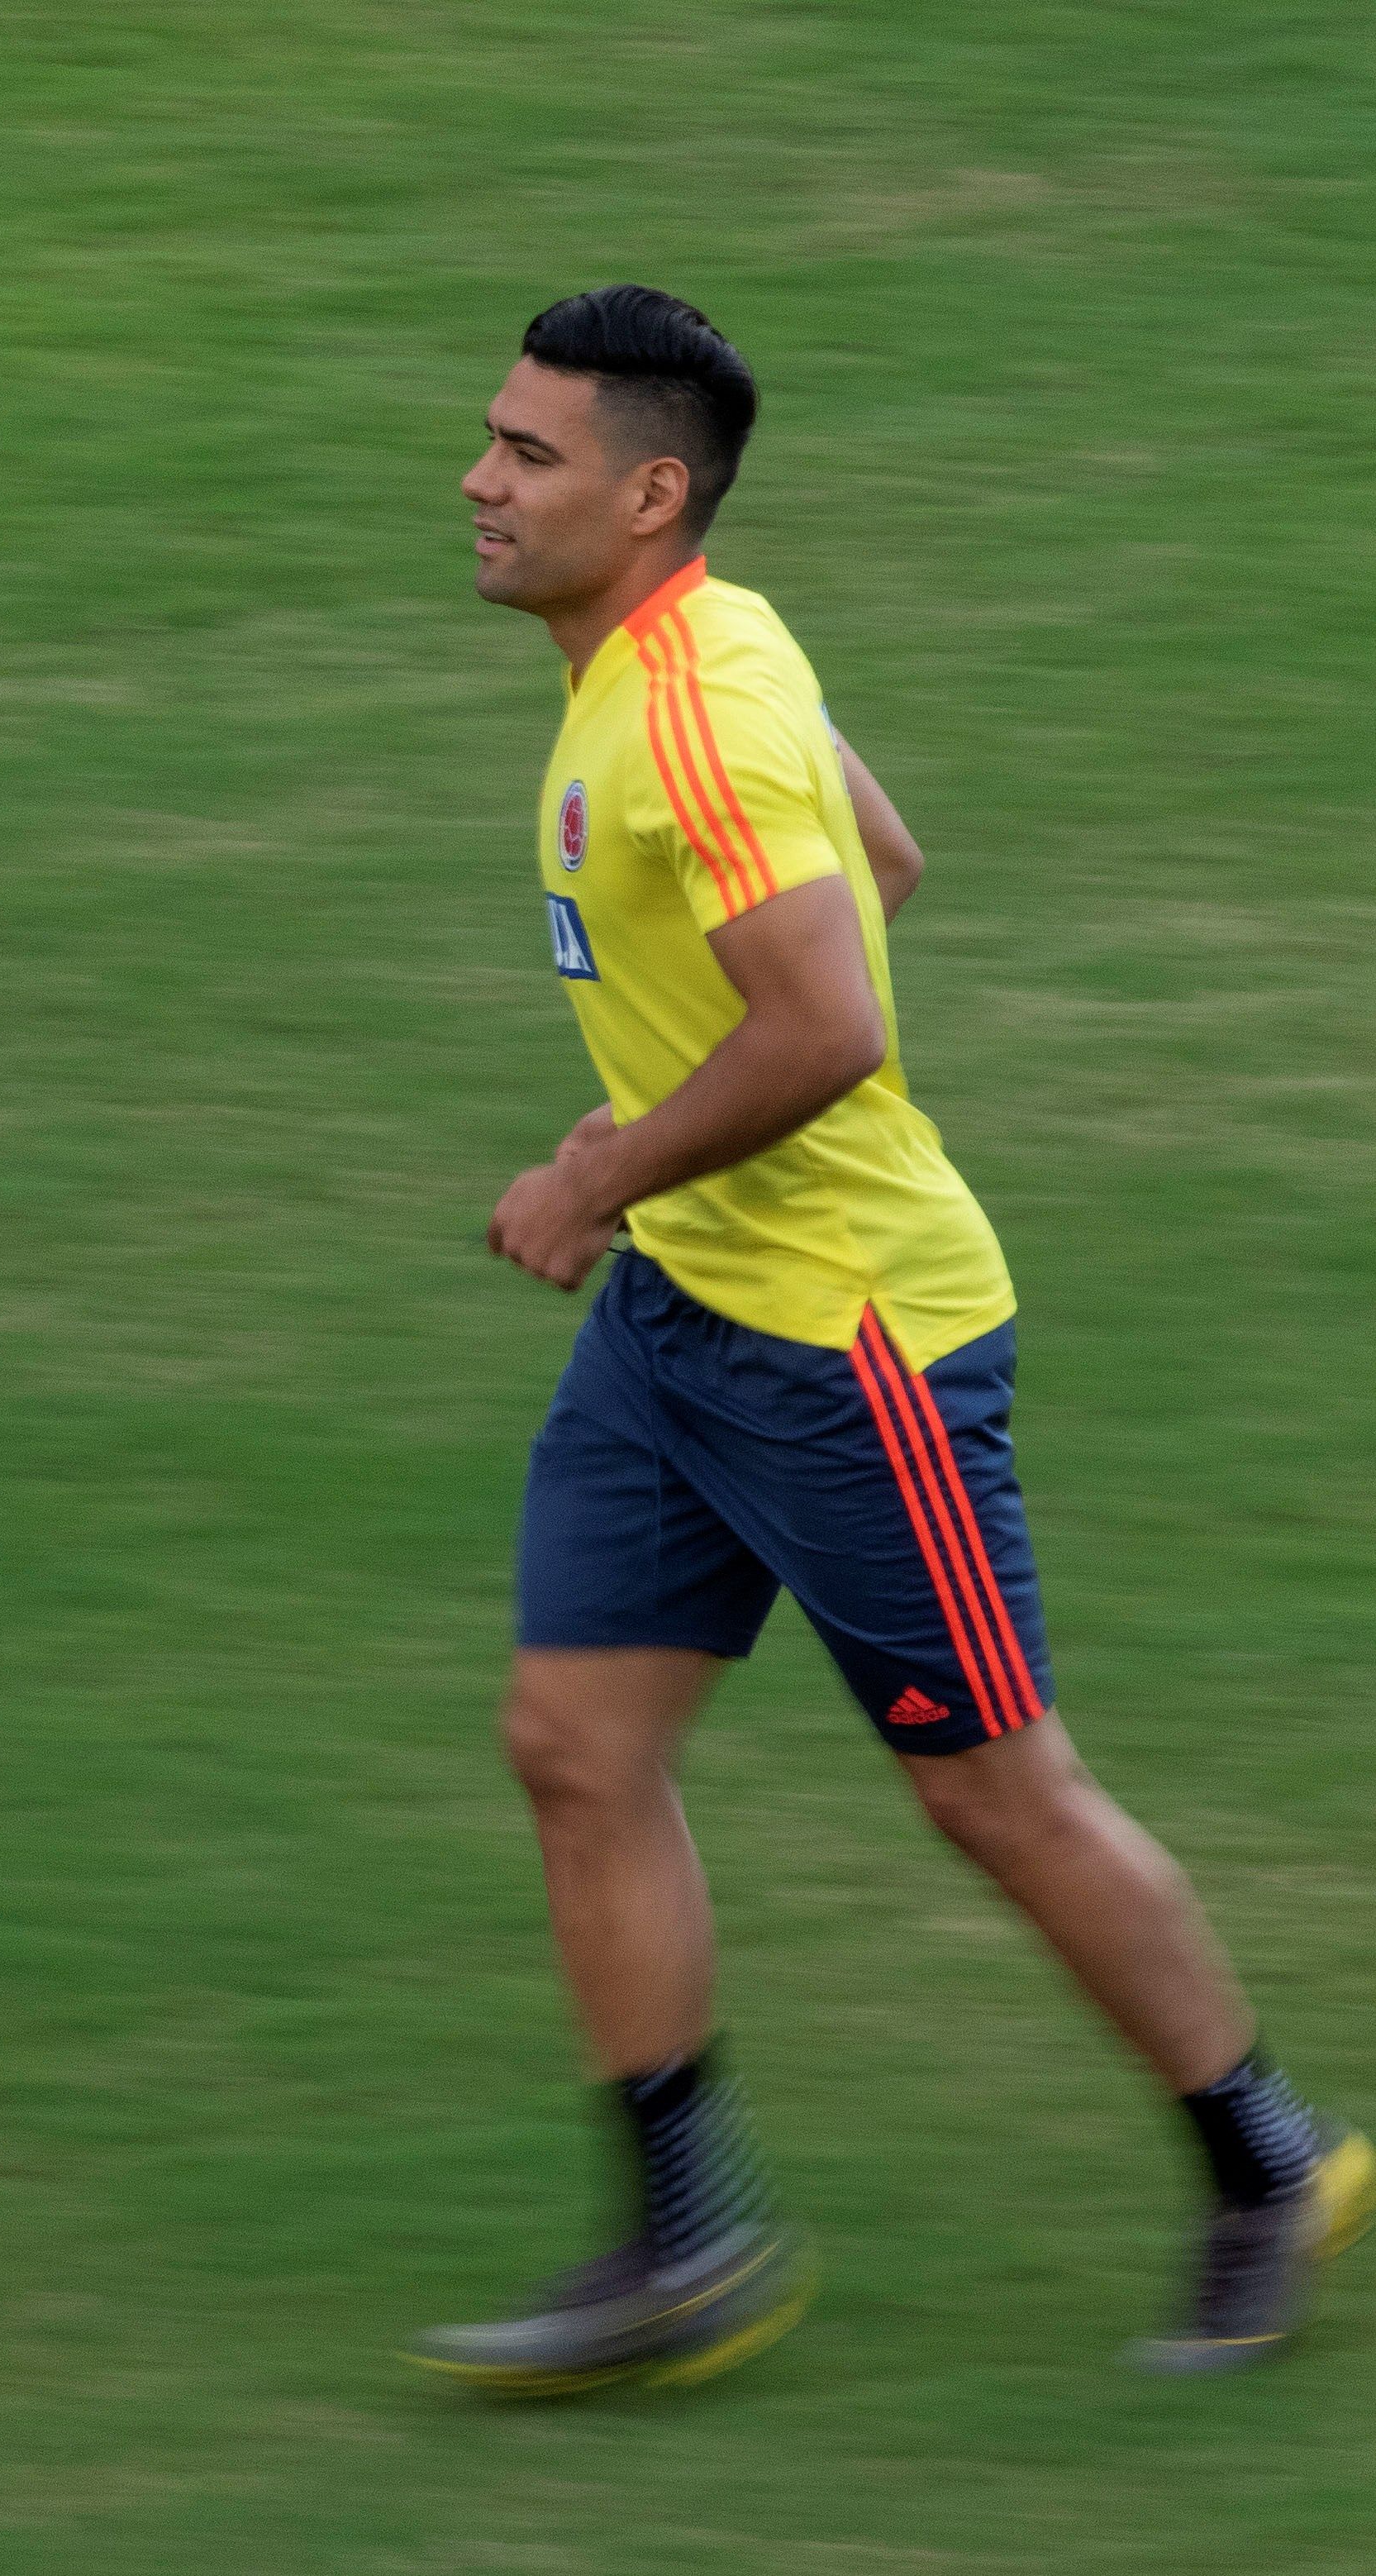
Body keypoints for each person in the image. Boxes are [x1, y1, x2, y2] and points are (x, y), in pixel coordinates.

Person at [411, 284, 1364, 2390]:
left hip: (851, 1353)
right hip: (685, 1318)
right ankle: (684, 2245)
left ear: (649, 496)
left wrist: (602, 1167)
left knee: (993, 1795)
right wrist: (666, 1129)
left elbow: (833, 1020)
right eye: (486, 437)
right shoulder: (694, 638)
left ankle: (1265, 2160)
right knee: (574, 1746)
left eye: (526, 453)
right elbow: (890, 864)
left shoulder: (688, 709)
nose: (475, 480)